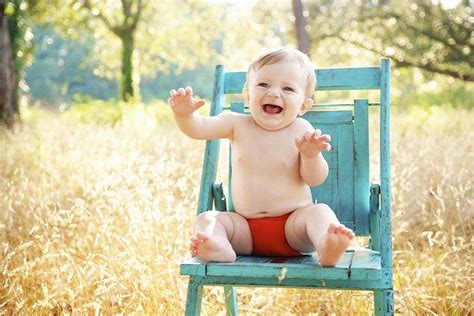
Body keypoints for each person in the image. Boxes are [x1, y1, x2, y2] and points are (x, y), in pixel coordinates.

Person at [168, 48, 354, 266]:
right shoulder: (235, 124)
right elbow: (198, 129)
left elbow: (315, 179)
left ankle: (326, 244)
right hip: (244, 229)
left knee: (319, 212)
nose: (274, 93)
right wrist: (185, 115)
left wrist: (311, 156)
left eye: (288, 88)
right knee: (207, 218)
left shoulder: (301, 130)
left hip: (292, 228)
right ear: (247, 94)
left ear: (304, 105)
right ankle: (218, 247)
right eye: (263, 85)